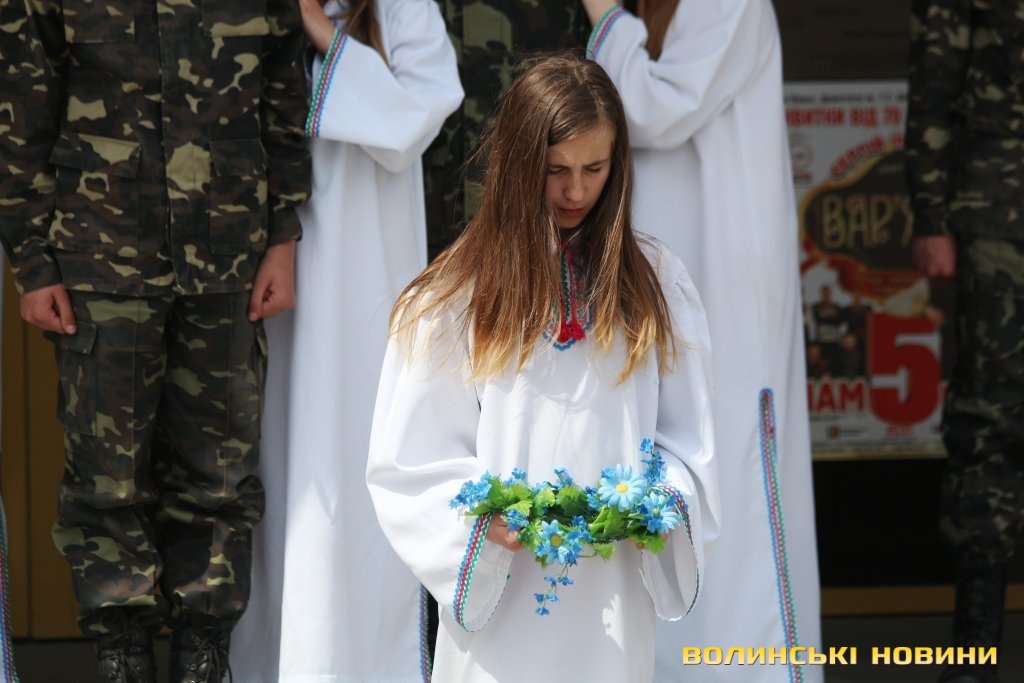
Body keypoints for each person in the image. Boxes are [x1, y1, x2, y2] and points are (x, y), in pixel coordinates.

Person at [366, 53, 719, 683]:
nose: (576, 191)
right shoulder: (454, 297)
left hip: (613, 595)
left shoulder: (657, 283)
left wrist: (659, 501)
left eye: (594, 168)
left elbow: (689, 440)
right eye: (556, 170)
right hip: (501, 599)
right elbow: (409, 462)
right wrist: (481, 526)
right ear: (517, 165)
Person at [0, 2, 311, 682]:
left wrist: (283, 237)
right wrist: (31, 262)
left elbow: (285, 99)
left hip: (228, 251)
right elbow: (21, 110)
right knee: (106, 476)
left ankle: (204, 651)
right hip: (100, 253)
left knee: (219, 472)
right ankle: (124, 654)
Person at [579, 1, 823, 680]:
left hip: (725, 290)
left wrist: (604, 15)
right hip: (664, 282)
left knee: (728, 475)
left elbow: (656, 108)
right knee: (663, 468)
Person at [229, 1, 462, 681]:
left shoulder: (401, 7)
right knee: (278, 470)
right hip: (271, 276)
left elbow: (421, 110)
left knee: (355, 461)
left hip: (366, 281)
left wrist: (322, 32)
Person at [905, 2, 1024, 682]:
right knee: (989, 422)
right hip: (1001, 217)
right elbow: (935, 78)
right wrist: (931, 214)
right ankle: (976, 648)